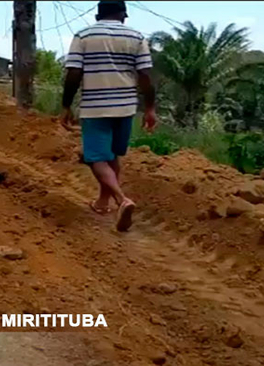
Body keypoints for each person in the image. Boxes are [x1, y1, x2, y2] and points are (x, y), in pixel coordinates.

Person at [61, 0, 156, 232]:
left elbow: (74, 72)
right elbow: (145, 75)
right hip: (126, 107)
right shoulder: (136, 37)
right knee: (112, 155)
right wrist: (150, 108)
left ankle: (121, 200)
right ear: (123, 15)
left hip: (95, 106)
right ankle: (102, 203)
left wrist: (66, 105)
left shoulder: (83, 36)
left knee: (95, 158)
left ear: (97, 16)